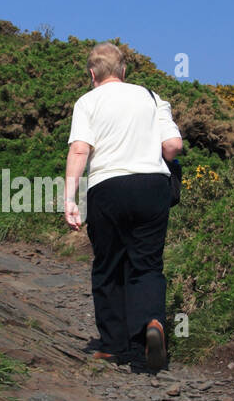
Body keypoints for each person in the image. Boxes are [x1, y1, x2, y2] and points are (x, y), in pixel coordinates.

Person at [64, 42, 182, 370]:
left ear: (92, 74)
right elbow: (172, 146)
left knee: (108, 266)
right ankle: (151, 326)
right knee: (146, 265)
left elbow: (79, 151)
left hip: (108, 188)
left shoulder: (87, 102)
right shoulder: (151, 96)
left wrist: (69, 199)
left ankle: (115, 346)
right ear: (124, 71)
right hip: (151, 186)